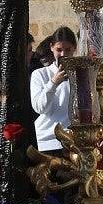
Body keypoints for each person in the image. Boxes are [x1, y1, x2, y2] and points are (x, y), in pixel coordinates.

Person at [29, 27, 77, 155]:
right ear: (51, 48)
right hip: (47, 141)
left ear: (74, 48)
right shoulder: (40, 74)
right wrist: (53, 83)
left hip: (74, 142)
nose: (63, 55)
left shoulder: (80, 75)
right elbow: (39, 107)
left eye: (68, 50)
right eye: (59, 50)